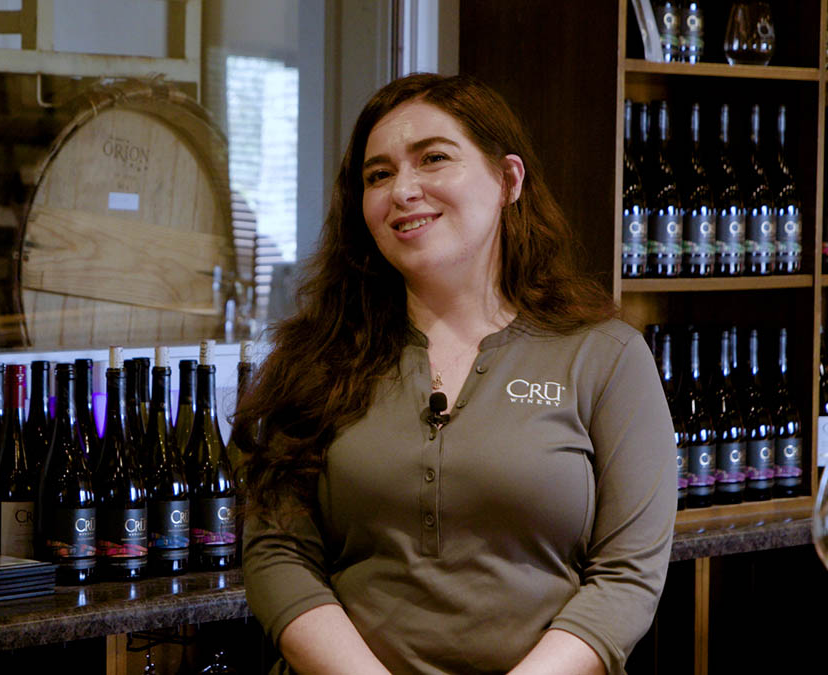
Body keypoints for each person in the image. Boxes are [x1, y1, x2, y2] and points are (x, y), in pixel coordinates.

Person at [237, 73, 676, 675]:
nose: (402, 190)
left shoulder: (605, 355)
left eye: (433, 159)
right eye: (378, 175)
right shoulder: (316, 358)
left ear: (509, 181)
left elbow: (628, 576)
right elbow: (277, 554)